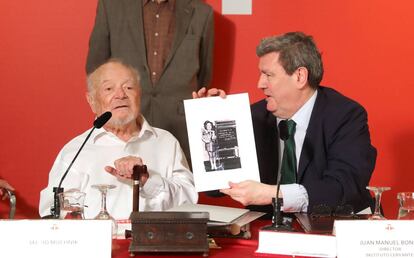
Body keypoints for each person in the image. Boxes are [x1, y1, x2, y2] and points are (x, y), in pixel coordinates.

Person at [195, 32, 376, 216]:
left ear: (299, 76)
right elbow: (214, 189)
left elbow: (344, 187)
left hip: (332, 229)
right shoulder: (254, 116)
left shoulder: (345, 116)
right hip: (270, 233)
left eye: (268, 75)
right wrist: (212, 118)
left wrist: (274, 195)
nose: (260, 84)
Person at [39, 59, 198, 219]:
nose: (121, 95)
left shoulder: (166, 142)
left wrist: (147, 180)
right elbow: (51, 211)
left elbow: (188, 201)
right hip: (96, 242)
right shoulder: (76, 150)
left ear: (139, 94)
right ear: (92, 101)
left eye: (129, 87)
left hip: (154, 242)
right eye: (109, 88)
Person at [86, 0, 214, 164]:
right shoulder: (111, 6)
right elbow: (96, 69)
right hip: (123, 128)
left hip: (179, 129)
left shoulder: (202, 12)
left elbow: (204, 75)